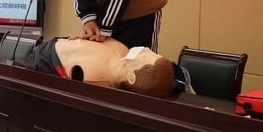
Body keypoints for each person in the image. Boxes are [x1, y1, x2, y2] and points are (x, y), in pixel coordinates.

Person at [26, 37, 175, 99]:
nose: (146, 49)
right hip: (56, 46)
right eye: (151, 52)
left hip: (45, 59)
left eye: (145, 56)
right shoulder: (123, 53)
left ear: (131, 77)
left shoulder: (94, 79)